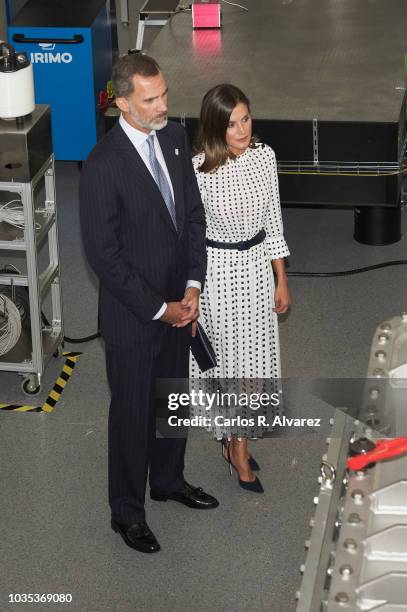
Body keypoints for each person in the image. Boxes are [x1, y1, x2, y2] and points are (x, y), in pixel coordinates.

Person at [79, 54, 219, 554]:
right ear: (122, 103)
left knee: (171, 402)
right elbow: (106, 257)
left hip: (180, 302)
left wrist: (192, 285)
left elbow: (193, 217)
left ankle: (168, 480)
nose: (163, 105)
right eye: (150, 99)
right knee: (133, 414)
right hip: (135, 318)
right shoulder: (102, 166)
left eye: (164, 93)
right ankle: (126, 511)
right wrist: (161, 309)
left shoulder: (177, 138)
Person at [190, 84, 291, 493]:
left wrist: (281, 278)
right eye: (231, 124)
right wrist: (191, 292)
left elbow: (274, 221)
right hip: (218, 278)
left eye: (246, 119)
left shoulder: (265, 157)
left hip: (256, 272)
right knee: (230, 368)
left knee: (254, 366)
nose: (242, 129)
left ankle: (237, 442)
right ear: (216, 127)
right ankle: (237, 446)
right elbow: (191, 238)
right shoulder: (199, 170)